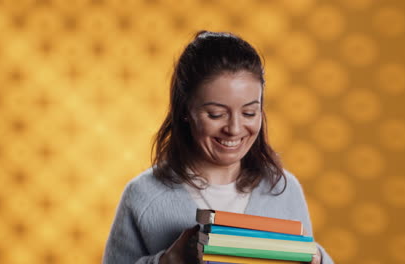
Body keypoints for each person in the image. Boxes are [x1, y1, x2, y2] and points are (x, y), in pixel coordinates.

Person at [103, 30, 334, 264]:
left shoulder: (283, 190)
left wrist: (316, 258)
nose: (234, 128)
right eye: (216, 114)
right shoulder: (143, 195)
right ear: (185, 110)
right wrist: (170, 260)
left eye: (249, 113)